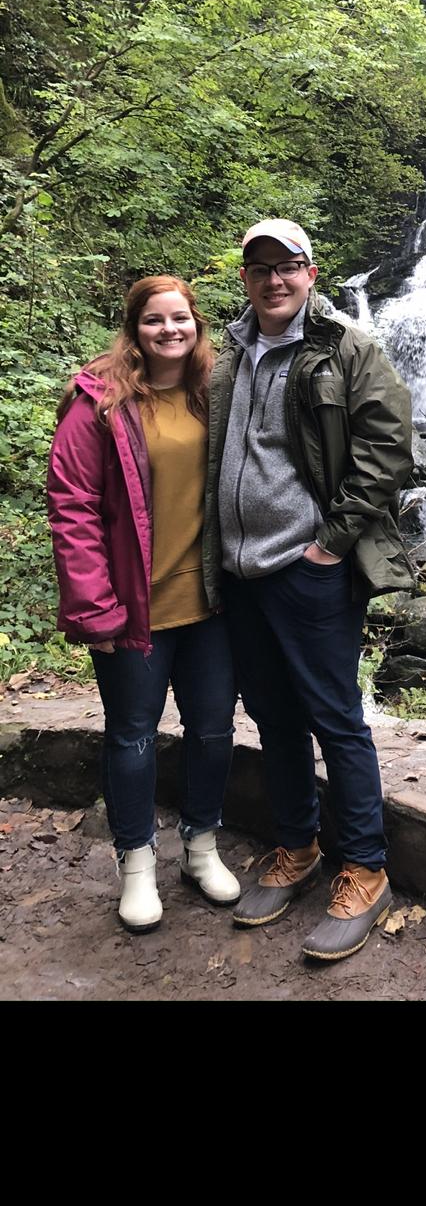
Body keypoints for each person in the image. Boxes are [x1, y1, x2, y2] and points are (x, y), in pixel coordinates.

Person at [201, 219, 415, 961]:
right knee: (273, 716)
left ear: (310, 272)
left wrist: (330, 544)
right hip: (241, 571)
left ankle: (366, 868)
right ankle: (298, 846)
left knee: (335, 718)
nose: (274, 279)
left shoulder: (347, 347)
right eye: (260, 267)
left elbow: (387, 447)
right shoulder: (230, 351)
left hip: (309, 568)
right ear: (245, 277)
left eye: (287, 266)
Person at [47, 277, 240, 933]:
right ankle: (135, 864)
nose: (169, 330)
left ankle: (201, 846)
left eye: (179, 317)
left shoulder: (215, 390)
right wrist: (94, 608)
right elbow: (72, 507)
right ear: (134, 328)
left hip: (210, 605)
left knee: (213, 730)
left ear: (196, 324)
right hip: (133, 608)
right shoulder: (99, 401)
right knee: (132, 735)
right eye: (155, 320)